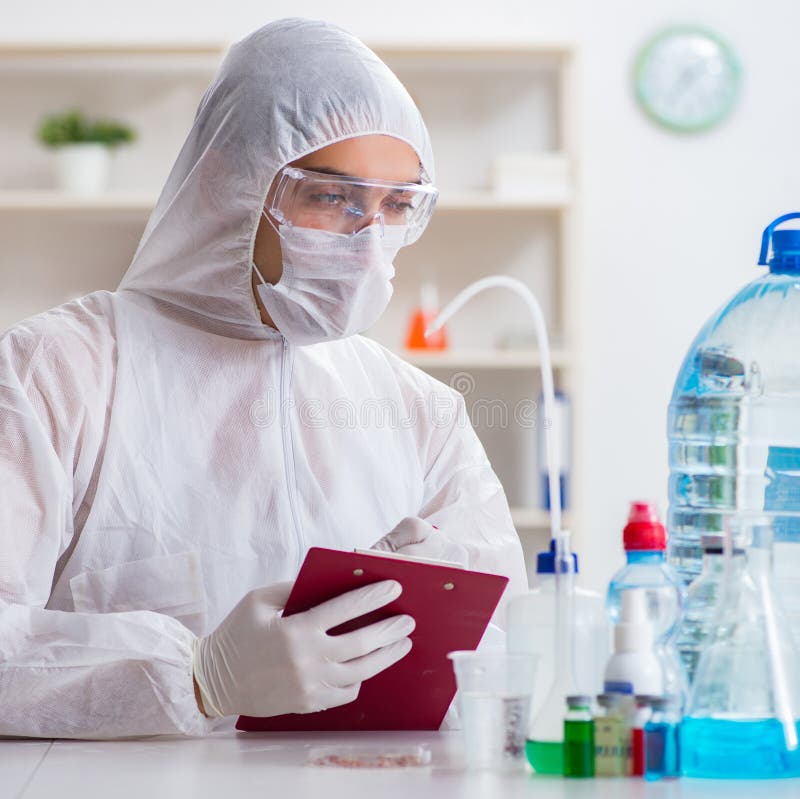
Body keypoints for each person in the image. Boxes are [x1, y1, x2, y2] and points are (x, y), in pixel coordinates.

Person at [0, 18, 527, 738]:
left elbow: (513, 650)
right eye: (332, 198)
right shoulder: (60, 373)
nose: (369, 244)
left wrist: (458, 601)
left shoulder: (419, 411)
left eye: (397, 205)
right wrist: (195, 675)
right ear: (229, 184)